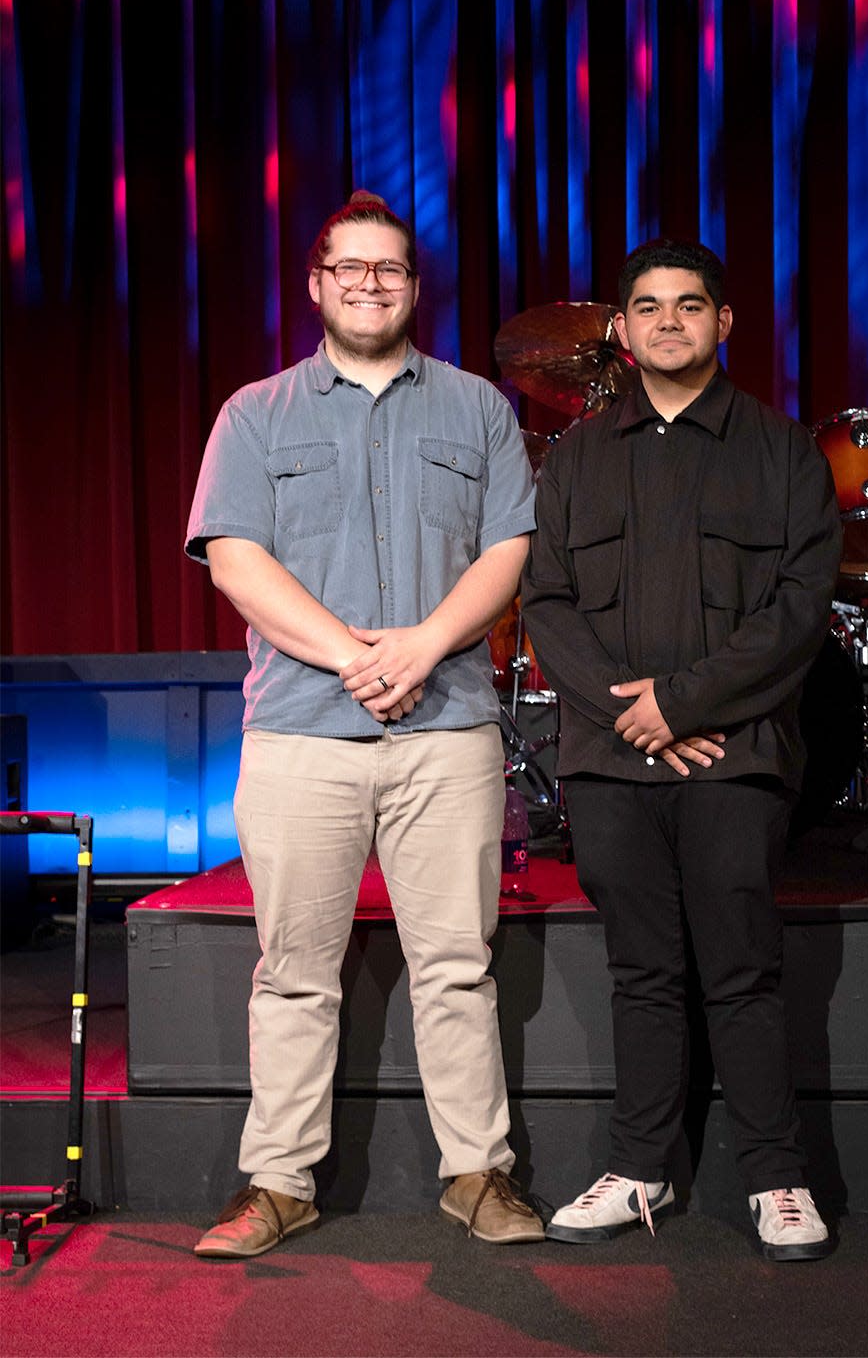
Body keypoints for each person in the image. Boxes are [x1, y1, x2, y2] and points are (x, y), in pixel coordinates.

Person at [185, 191, 543, 1257]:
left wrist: (424, 646)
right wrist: (356, 655)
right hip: (300, 730)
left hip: (447, 730)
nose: (369, 284)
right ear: (315, 282)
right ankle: (279, 1182)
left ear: (412, 286)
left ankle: (477, 1174)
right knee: (291, 967)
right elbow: (236, 558)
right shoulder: (255, 413)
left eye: (389, 269)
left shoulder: (477, 407)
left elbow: (508, 548)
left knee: (456, 963)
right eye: (350, 268)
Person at [520, 238, 842, 1261]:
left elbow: (797, 610)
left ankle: (775, 1174)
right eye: (647, 307)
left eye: (689, 304)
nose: (668, 321)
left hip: (735, 755)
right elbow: (547, 603)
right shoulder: (574, 457)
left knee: (741, 970)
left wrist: (685, 701)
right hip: (610, 761)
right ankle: (638, 1165)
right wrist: (637, 713)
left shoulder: (782, 449)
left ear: (723, 321)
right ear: (618, 329)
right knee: (642, 970)